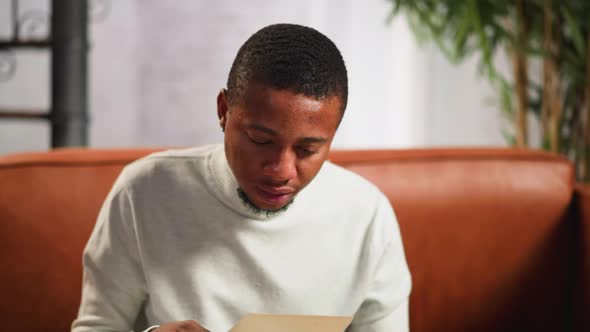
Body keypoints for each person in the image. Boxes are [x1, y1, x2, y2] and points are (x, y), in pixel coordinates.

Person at [71, 23, 411, 332]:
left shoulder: (367, 215)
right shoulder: (145, 192)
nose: (281, 171)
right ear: (223, 110)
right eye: (261, 141)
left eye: (307, 150)